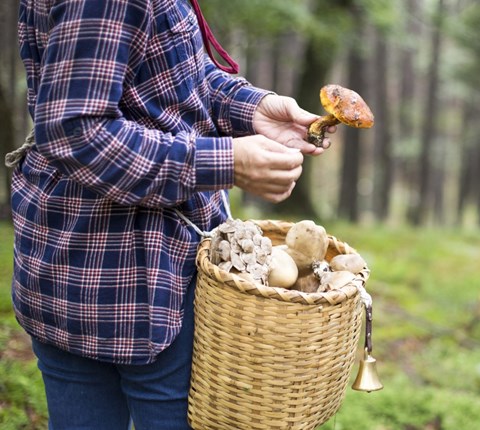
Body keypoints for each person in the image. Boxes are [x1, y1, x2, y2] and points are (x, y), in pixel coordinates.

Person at [12, 0, 331, 428]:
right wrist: (226, 162)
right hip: (141, 281)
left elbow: (171, 80)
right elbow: (76, 131)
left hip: (72, 267)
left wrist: (253, 109)